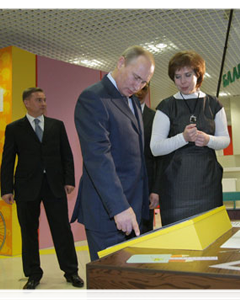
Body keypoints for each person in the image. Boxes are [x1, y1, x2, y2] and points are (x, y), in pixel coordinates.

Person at [71, 46, 155, 261]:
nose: (137, 86)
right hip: (109, 214)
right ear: (120, 63)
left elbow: (137, 157)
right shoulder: (93, 98)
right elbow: (98, 157)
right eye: (135, 77)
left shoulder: (133, 102)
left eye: (144, 82)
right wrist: (119, 208)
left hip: (135, 211)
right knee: (109, 286)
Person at [0, 87, 83, 295]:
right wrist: (6, 189)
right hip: (26, 187)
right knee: (28, 232)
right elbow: (7, 161)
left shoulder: (57, 125)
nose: (44, 103)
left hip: (54, 185)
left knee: (62, 230)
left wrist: (69, 180)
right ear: (27, 103)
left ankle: (71, 272)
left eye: (45, 99)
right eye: (39, 100)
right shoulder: (14, 129)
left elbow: (67, 155)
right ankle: (33, 274)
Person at [150, 50, 230, 226]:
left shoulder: (214, 104)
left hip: (208, 183)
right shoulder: (166, 106)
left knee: (210, 232)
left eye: (187, 75)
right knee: (178, 238)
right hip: (175, 186)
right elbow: (155, 148)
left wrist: (208, 140)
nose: (183, 81)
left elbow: (225, 140)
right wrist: (183, 138)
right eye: (177, 77)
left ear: (198, 75)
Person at [135, 83, 160, 233]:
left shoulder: (156, 118)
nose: (140, 92)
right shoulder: (118, 114)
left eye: (144, 89)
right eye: (137, 87)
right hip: (123, 187)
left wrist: (156, 189)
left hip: (147, 186)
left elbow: (160, 158)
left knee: (145, 231)